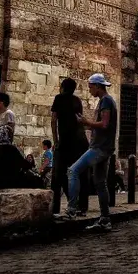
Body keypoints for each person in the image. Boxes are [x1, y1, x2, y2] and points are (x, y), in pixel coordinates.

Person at [60, 73, 117, 232]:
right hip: (104, 147)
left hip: (99, 148)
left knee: (73, 171)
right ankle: (105, 219)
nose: (89, 90)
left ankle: (71, 209)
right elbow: (102, 125)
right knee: (100, 183)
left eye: (91, 87)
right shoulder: (106, 101)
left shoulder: (106, 100)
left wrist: (85, 122)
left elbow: (104, 124)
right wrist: (86, 125)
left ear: (98, 86)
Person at [50, 78, 87, 215]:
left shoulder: (59, 98)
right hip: (79, 142)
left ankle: (55, 208)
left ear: (62, 87)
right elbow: (80, 120)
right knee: (78, 174)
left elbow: (54, 120)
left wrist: (56, 141)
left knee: (58, 175)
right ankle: (81, 207)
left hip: (65, 141)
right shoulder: (77, 101)